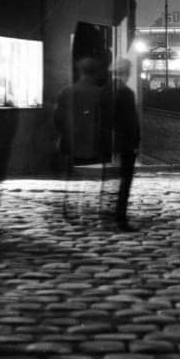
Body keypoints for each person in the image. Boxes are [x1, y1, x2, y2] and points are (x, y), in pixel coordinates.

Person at [54, 56, 108, 220]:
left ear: (79, 72)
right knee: (92, 177)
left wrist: (64, 133)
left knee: (70, 177)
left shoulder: (66, 91)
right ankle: (89, 209)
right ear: (96, 73)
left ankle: (69, 208)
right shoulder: (101, 93)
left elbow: (57, 117)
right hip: (93, 141)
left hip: (71, 140)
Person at [108, 58, 140, 232]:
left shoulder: (105, 90)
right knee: (125, 182)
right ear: (126, 72)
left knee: (111, 181)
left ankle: (109, 216)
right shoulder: (126, 92)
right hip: (125, 143)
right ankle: (120, 219)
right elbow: (130, 122)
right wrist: (135, 142)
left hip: (109, 142)